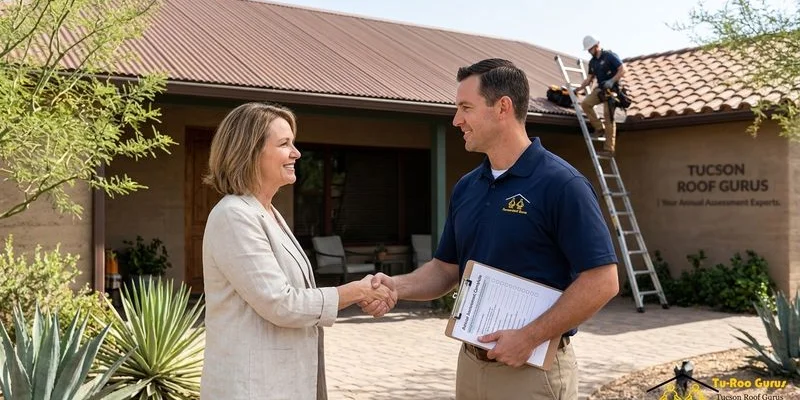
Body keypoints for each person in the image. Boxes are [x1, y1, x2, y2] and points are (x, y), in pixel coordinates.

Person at [360, 59, 620, 399]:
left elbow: (602, 281)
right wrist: (396, 286)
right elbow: (445, 269)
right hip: (470, 364)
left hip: (530, 371)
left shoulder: (562, 184)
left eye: (466, 108)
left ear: (503, 107)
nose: (457, 120)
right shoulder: (467, 187)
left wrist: (529, 337)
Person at [199, 102, 395, 400]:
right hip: (252, 388)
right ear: (250, 152)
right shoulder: (234, 215)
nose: (296, 153)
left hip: (281, 381)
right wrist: (356, 291)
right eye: (284, 144)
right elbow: (281, 303)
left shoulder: (268, 213)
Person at [573, 35, 626, 156]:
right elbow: (589, 79)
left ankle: (609, 149)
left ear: (596, 46)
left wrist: (612, 80)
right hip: (601, 89)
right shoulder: (593, 62)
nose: (589, 51)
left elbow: (623, 69)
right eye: (588, 50)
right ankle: (599, 128)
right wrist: (578, 89)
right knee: (586, 104)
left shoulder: (609, 56)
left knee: (608, 116)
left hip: (613, 90)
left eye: (590, 49)